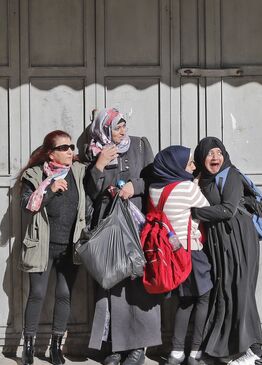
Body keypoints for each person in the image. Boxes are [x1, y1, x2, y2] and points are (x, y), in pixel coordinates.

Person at [84, 108, 159, 365]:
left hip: (137, 225)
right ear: (104, 129)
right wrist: (100, 164)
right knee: (112, 284)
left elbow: (153, 180)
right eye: (116, 128)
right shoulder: (95, 151)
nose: (122, 132)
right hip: (109, 227)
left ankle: (138, 348)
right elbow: (92, 191)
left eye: (123, 126)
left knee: (138, 284)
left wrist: (134, 187)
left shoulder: (139, 145)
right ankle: (115, 347)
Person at [191, 137, 262, 365]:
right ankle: (223, 349)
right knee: (225, 291)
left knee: (241, 291)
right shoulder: (202, 178)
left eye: (218, 152)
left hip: (239, 240)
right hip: (219, 243)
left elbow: (228, 209)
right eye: (210, 154)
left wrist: (195, 213)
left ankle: (255, 350)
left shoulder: (231, 174)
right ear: (201, 157)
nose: (215, 158)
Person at [19, 130, 87, 365]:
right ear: (50, 153)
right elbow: (27, 205)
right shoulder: (35, 175)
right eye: (64, 148)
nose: (70, 151)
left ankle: (56, 346)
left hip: (70, 246)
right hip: (42, 245)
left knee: (64, 295)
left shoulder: (78, 171)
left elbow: (97, 160)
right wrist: (49, 189)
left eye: (71, 147)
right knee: (36, 295)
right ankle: (28, 346)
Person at [148, 146, 211, 365]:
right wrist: (195, 184)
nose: (194, 166)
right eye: (190, 163)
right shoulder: (187, 188)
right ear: (177, 165)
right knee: (204, 296)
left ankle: (176, 352)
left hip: (170, 253)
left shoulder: (155, 187)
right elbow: (206, 207)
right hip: (191, 251)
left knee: (184, 301)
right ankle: (194, 352)